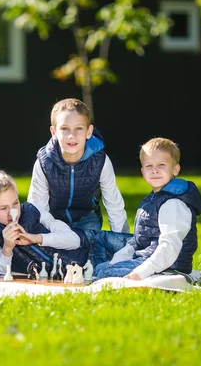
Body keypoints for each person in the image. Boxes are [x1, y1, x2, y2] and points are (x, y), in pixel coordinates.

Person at [27, 98, 131, 267]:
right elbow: (37, 207)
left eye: (78, 129)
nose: (72, 135)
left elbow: (114, 204)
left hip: (87, 218)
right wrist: (57, 231)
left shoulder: (101, 161)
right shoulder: (43, 163)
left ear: (89, 131)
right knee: (55, 263)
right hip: (53, 219)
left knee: (90, 262)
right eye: (64, 129)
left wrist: (121, 243)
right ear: (53, 132)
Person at [93, 137, 201, 281]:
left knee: (104, 275)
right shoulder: (153, 199)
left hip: (168, 267)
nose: (155, 171)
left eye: (161, 165)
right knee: (101, 268)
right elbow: (139, 240)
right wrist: (118, 259)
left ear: (175, 169)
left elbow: (170, 247)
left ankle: (184, 277)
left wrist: (142, 272)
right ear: (142, 171)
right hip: (148, 259)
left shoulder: (173, 204)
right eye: (149, 166)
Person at [0, 167, 90, 278]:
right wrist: (7, 249)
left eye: (15, 203)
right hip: (68, 273)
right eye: (3, 208)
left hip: (88, 251)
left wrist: (36, 238)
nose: (12, 212)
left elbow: (75, 241)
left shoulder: (34, 211)